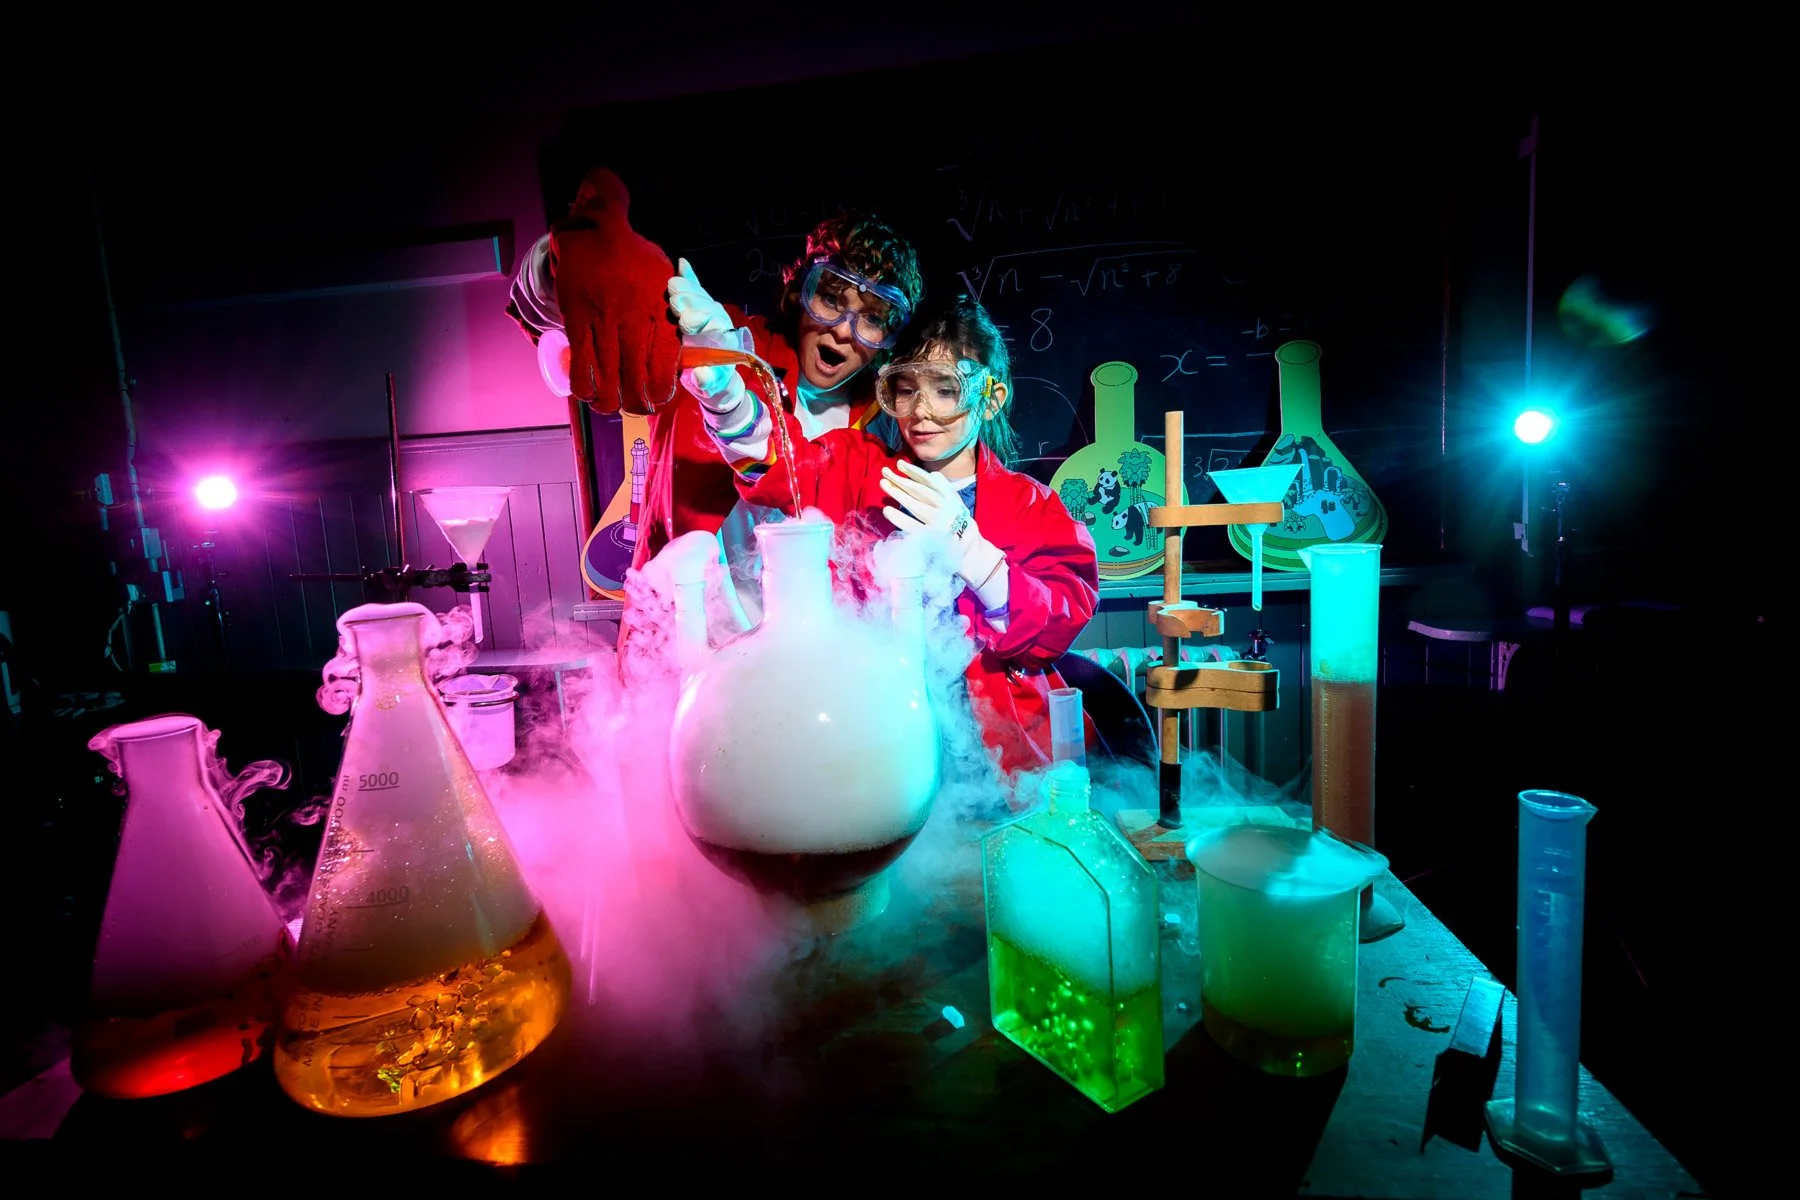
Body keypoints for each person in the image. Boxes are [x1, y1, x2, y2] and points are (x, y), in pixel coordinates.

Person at [687, 289, 1101, 778]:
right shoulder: (861, 472)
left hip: (1000, 760)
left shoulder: (1031, 507)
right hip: (877, 744)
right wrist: (727, 398)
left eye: (945, 389)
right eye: (906, 389)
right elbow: (783, 465)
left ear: (990, 399)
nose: (921, 411)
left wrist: (972, 552)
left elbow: (1059, 622)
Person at [507, 171, 925, 623]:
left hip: (802, 673)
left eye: (873, 318)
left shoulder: (880, 431)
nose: (844, 328)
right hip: (679, 657)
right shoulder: (713, 340)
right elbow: (548, 308)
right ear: (800, 290)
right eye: (830, 296)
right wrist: (562, 260)